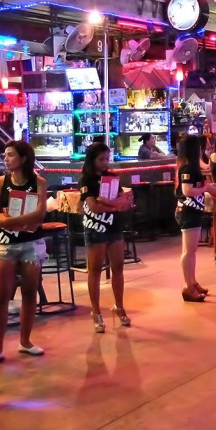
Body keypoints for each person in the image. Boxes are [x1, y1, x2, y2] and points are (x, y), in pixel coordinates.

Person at [0, 140, 48, 366]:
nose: (6, 158)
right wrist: (17, 222)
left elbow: (40, 215)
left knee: (30, 293)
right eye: (5, 154)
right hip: (6, 245)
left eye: (10, 154)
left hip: (32, 243)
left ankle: (25, 341)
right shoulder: (0, 182)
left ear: (23, 158)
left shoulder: (38, 182)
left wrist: (9, 221)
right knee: (2, 295)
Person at [80, 142, 131, 332]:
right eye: (101, 159)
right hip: (95, 228)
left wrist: (108, 202)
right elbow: (93, 206)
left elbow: (124, 202)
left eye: (107, 159)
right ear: (92, 160)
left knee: (118, 267)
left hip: (114, 226)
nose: (105, 163)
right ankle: (96, 312)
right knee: (95, 270)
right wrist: (115, 204)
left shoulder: (112, 177)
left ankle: (119, 306)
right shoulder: (86, 180)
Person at [176, 134, 216, 302]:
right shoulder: (187, 168)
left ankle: (193, 282)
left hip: (192, 211)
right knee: (188, 251)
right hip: (188, 211)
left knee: (191, 251)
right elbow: (187, 191)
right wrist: (206, 188)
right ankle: (188, 286)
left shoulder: (190, 167)